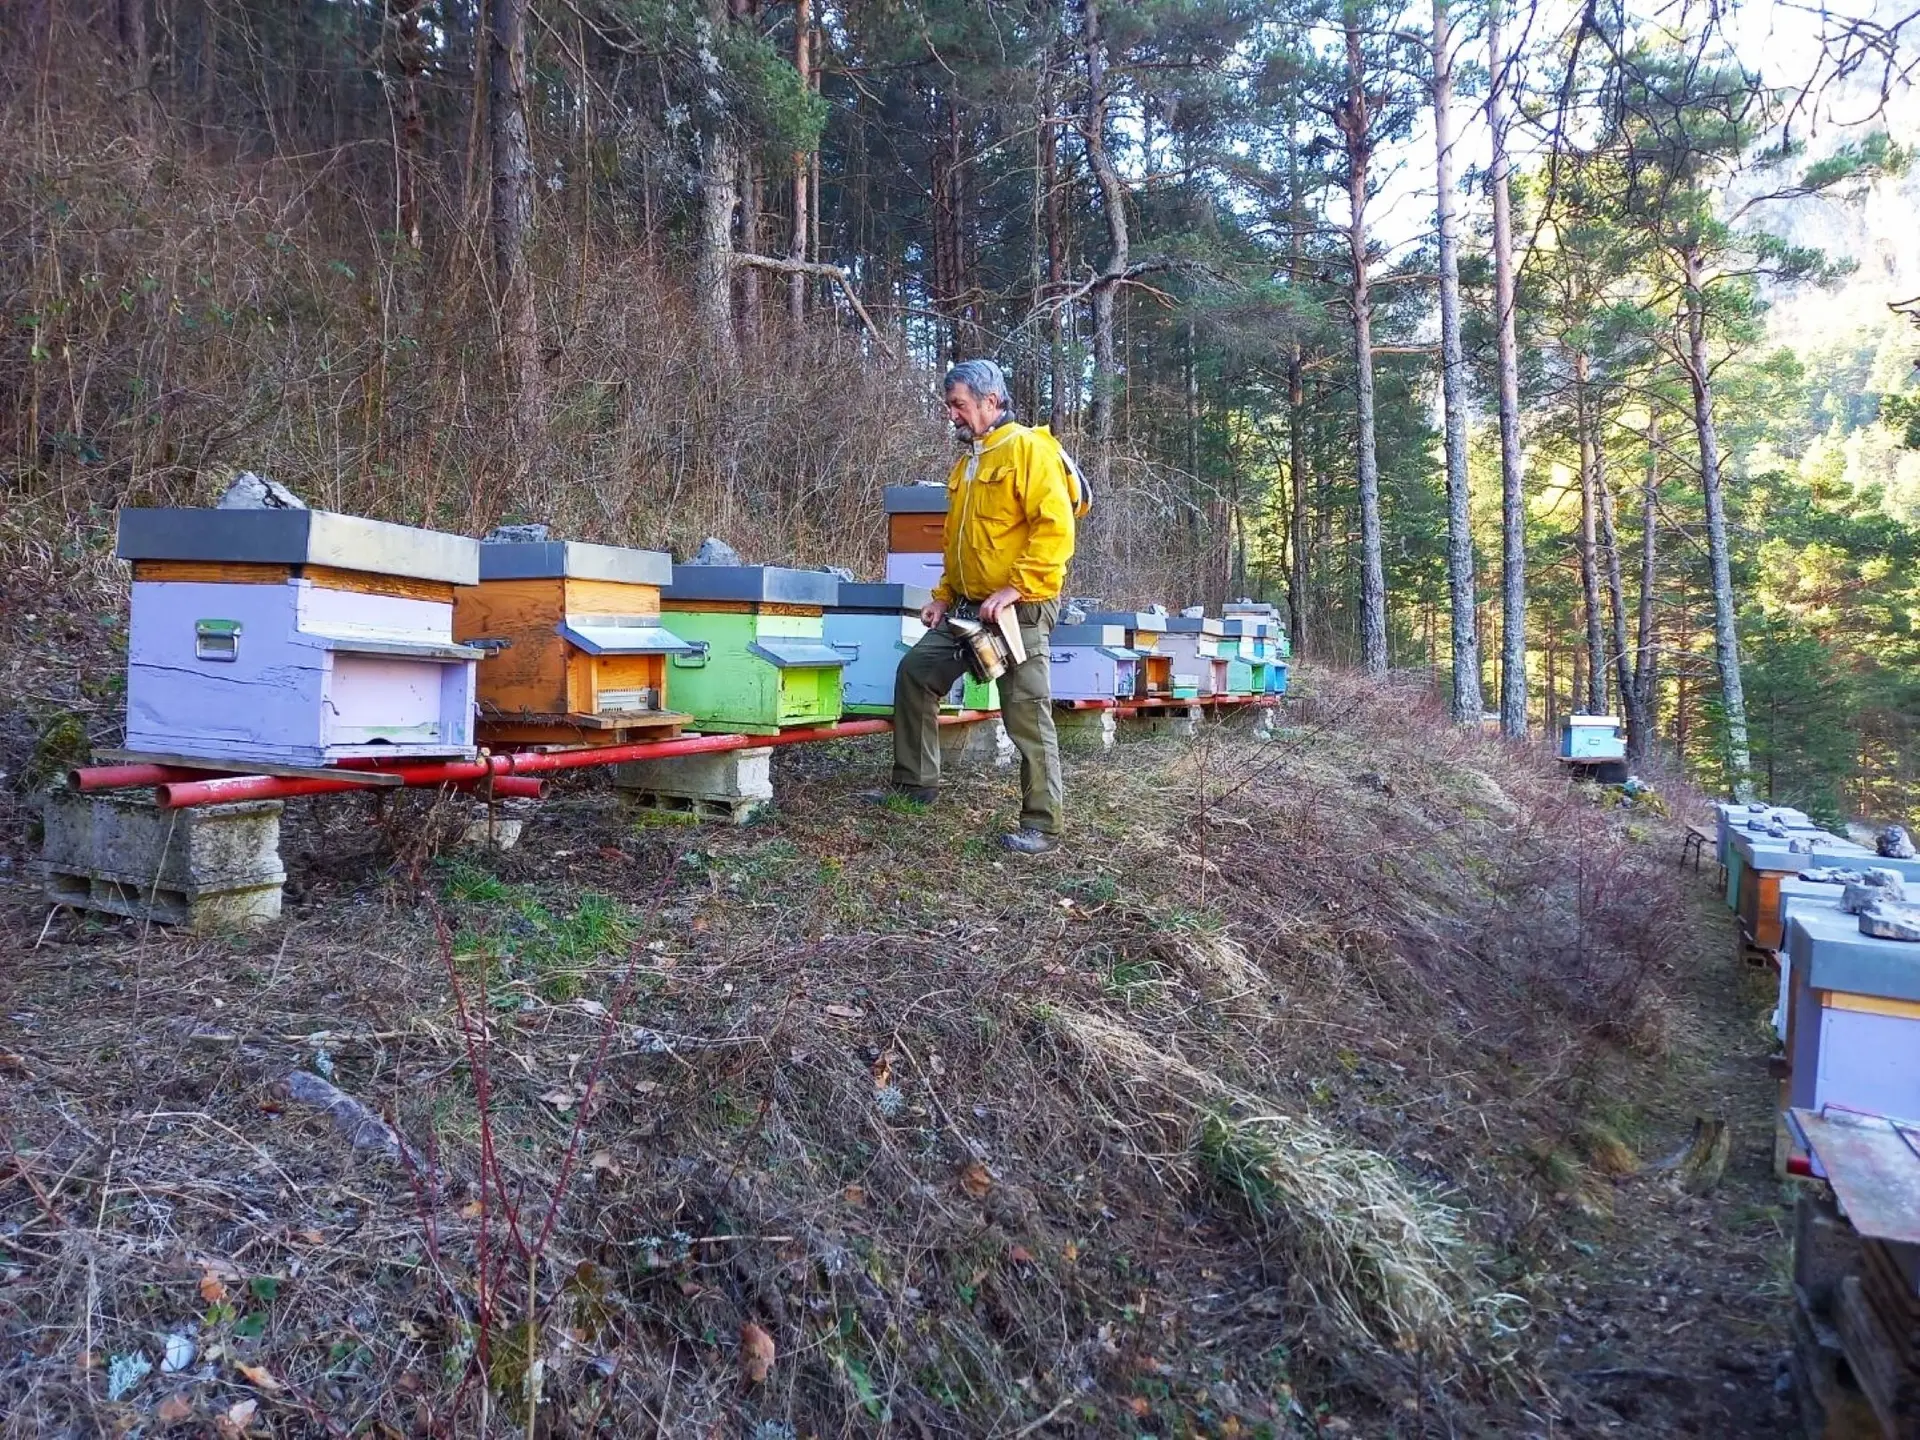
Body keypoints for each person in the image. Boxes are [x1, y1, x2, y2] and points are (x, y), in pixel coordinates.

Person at [884, 360, 1076, 855]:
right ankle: (914, 785)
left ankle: (1043, 825)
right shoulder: (969, 461)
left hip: (1021, 609)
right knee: (916, 673)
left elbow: (1054, 528)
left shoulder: (1029, 449)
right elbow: (960, 541)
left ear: (991, 402)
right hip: (967, 608)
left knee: (1026, 714)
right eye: (950, 406)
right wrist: (943, 594)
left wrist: (1018, 587)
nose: (952, 415)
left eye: (960, 405)